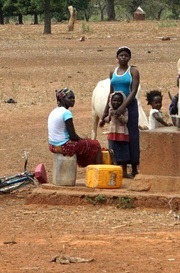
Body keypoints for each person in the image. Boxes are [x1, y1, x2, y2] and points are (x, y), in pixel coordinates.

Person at [100, 46, 141, 176]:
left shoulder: (133, 71)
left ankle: (134, 167)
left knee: (132, 136)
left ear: (129, 58)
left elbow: (133, 91)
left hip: (129, 107)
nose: (123, 58)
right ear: (117, 58)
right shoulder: (113, 72)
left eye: (126, 56)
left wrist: (123, 106)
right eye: (121, 55)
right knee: (119, 137)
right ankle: (122, 168)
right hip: (115, 107)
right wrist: (105, 112)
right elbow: (111, 92)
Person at [48, 88, 103, 167]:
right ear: (62, 99)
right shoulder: (66, 113)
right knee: (95, 145)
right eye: (70, 98)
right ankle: (99, 173)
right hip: (63, 146)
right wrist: (84, 139)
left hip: (52, 146)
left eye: (73, 98)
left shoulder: (54, 111)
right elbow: (73, 136)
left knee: (85, 144)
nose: (73, 100)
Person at [104, 92, 131, 178]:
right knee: (113, 154)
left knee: (124, 153)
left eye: (119, 101)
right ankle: (114, 172)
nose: (116, 102)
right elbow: (108, 119)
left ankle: (124, 172)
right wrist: (104, 119)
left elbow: (125, 121)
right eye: (114, 100)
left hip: (122, 134)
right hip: (112, 134)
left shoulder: (125, 110)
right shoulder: (110, 110)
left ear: (122, 102)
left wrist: (119, 115)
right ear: (111, 101)